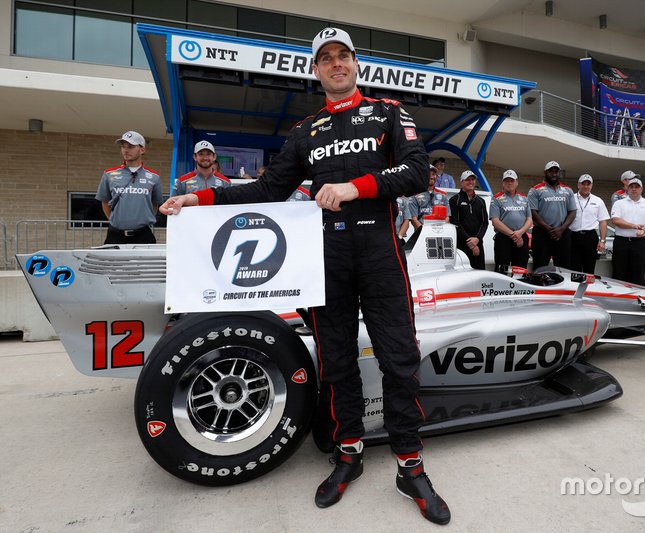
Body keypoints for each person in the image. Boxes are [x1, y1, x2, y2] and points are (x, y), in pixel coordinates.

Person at [159, 27, 450, 524]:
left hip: (381, 254)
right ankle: (348, 454)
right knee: (335, 363)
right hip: (324, 260)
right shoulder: (305, 130)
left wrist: (354, 188)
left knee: (399, 360)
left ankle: (410, 464)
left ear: (356, 63)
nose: (336, 64)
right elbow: (266, 188)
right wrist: (197, 198)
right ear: (315, 70)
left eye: (344, 56)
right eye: (326, 59)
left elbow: (417, 171)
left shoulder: (388, 112)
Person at [95, 130, 162, 244]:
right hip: (115, 235)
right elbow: (105, 202)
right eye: (123, 146)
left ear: (142, 150)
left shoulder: (154, 177)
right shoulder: (109, 174)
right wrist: (116, 220)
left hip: (143, 235)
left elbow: (154, 204)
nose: (125, 150)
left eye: (130, 146)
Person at [528, 161, 576, 269]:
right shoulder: (535, 190)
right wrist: (549, 229)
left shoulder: (568, 190)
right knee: (540, 266)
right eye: (551, 171)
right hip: (542, 233)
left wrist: (562, 229)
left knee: (564, 268)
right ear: (545, 172)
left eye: (556, 171)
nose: (554, 174)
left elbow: (573, 211)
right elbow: (533, 212)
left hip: (562, 233)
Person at [609, 177, 645, 284]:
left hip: (640, 243)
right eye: (631, 187)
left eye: (637, 187)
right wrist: (633, 226)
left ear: (641, 189)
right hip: (621, 242)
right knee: (618, 273)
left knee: (638, 274)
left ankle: (636, 299)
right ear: (627, 189)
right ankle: (618, 299)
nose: (634, 189)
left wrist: (644, 230)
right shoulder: (619, 203)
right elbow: (616, 220)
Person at [490, 169, 532, 273]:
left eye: (512, 180)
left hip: (522, 237)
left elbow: (529, 219)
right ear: (503, 183)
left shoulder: (525, 198)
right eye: (506, 180)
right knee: (501, 270)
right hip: (504, 238)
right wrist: (514, 235)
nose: (509, 183)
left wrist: (520, 233)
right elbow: (495, 221)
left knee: (520, 270)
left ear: (517, 182)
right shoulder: (496, 198)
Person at [568, 174, 609, 274]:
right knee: (574, 268)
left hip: (590, 237)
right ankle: (574, 289)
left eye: (588, 184)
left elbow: (603, 221)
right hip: (573, 236)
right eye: (583, 184)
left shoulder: (598, 201)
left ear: (591, 186)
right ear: (578, 185)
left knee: (589, 268)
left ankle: (587, 289)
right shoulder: (570, 198)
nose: (586, 186)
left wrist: (602, 241)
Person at [449, 170, 488, 269]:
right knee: (462, 275)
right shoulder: (454, 200)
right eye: (467, 180)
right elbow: (455, 223)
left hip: (478, 244)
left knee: (480, 275)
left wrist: (477, 239)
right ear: (462, 182)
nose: (470, 182)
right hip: (462, 245)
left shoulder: (481, 201)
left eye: (472, 179)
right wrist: (470, 242)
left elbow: (485, 223)